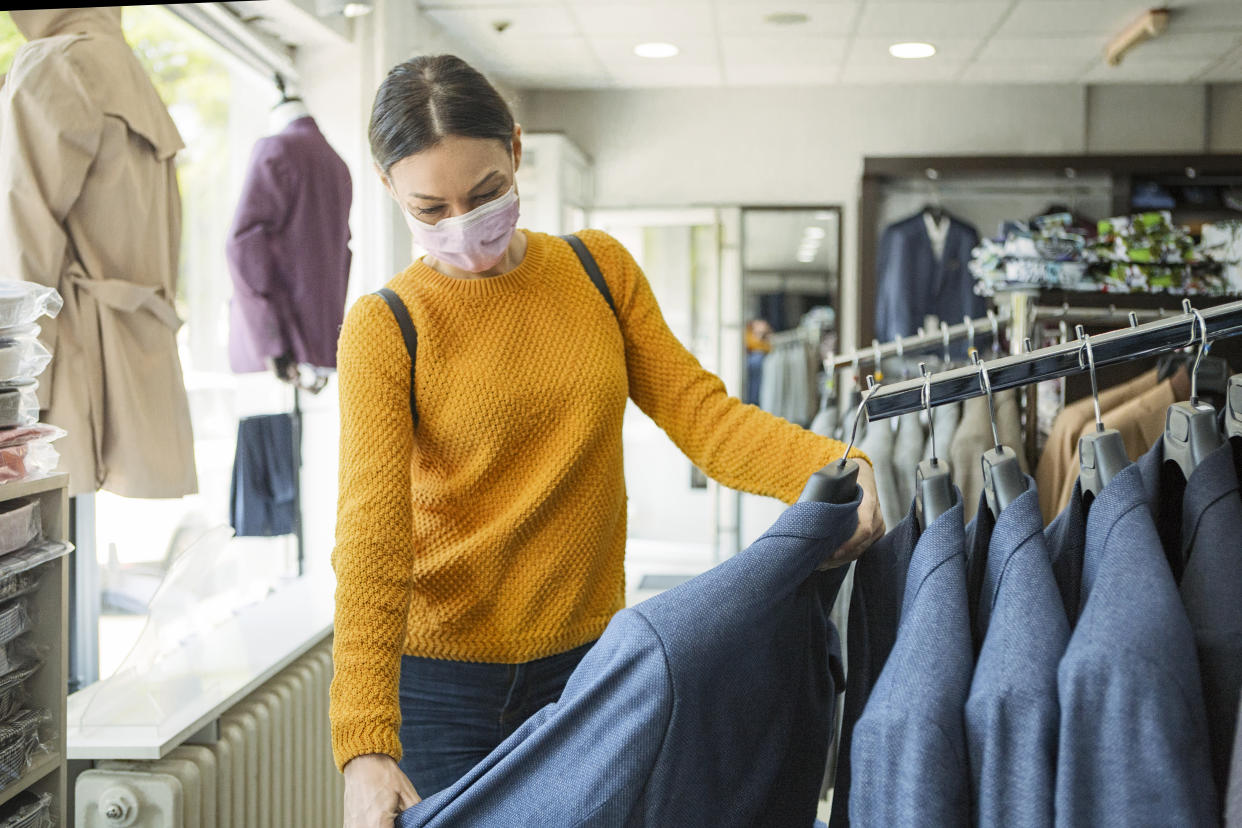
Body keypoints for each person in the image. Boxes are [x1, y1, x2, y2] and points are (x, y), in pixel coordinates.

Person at [333, 54, 884, 828]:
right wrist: (365, 745)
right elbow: (372, 537)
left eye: (486, 194)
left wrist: (835, 467)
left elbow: (704, 416)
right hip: (440, 686)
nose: (464, 226)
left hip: (589, 669)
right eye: (432, 208)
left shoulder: (598, 272)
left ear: (517, 152)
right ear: (390, 190)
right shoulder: (385, 327)